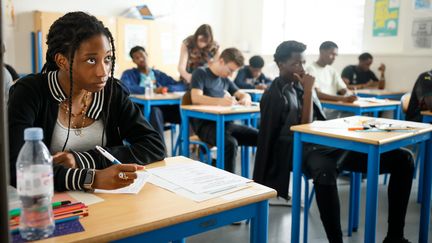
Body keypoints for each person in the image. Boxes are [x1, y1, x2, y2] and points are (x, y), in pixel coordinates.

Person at [253, 40, 414, 243]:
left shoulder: (300, 86)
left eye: (303, 63)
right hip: (297, 151)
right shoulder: (274, 94)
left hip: (323, 145)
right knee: (325, 170)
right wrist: (310, 90)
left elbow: (318, 122)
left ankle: (395, 236)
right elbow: (299, 129)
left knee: (404, 158)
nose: (302, 69)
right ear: (280, 65)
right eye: (296, 64)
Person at [8, 12, 166, 192]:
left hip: (110, 201)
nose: (103, 71)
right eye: (91, 60)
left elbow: (154, 145)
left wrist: (81, 160)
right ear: (62, 61)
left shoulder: (111, 93)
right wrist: (92, 178)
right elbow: (16, 168)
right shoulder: (30, 92)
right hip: (50, 203)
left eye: (107, 59)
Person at [190, 48, 258, 173]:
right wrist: (219, 101)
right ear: (221, 61)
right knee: (230, 144)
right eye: (230, 70)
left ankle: (261, 183)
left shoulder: (225, 80)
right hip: (204, 126)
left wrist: (246, 98)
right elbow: (195, 98)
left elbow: (241, 94)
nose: (231, 75)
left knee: (261, 136)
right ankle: (229, 186)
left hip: (225, 124)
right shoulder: (200, 73)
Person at [120, 46, 186, 142]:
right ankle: (160, 151)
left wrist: (167, 88)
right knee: (154, 112)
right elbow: (125, 87)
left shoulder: (158, 74)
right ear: (134, 61)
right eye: (137, 58)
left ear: (147, 55)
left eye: (142, 55)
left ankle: (188, 147)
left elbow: (181, 86)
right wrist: (152, 90)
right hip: (140, 109)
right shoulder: (129, 74)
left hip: (163, 108)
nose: (141, 59)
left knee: (182, 111)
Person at [306, 41, 357, 118]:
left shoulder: (332, 70)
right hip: (321, 110)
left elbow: (343, 89)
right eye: (332, 54)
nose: (334, 58)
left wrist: (350, 94)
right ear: (322, 52)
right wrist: (343, 99)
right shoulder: (311, 69)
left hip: (336, 108)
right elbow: (317, 94)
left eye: (336, 55)